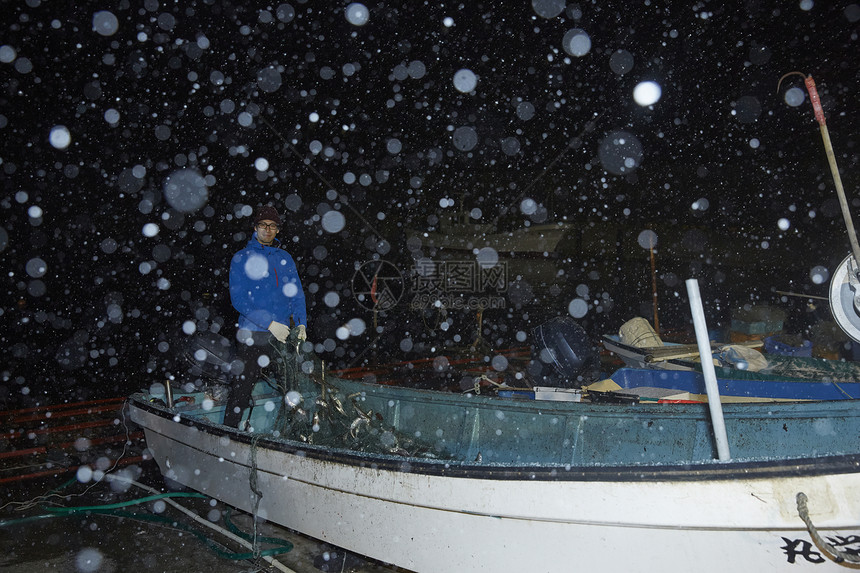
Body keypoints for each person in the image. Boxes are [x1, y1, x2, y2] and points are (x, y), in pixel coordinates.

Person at [226, 205, 307, 428]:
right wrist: (269, 323)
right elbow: (239, 300)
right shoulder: (241, 258)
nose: (268, 230)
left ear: (278, 230)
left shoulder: (285, 258)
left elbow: (296, 294)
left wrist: (300, 324)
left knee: (292, 391)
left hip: (281, 337)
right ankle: (227, 434)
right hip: (252, 335)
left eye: (272, 226)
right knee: (240, 392)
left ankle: (297, 436)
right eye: (263, 225)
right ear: (255, 228)